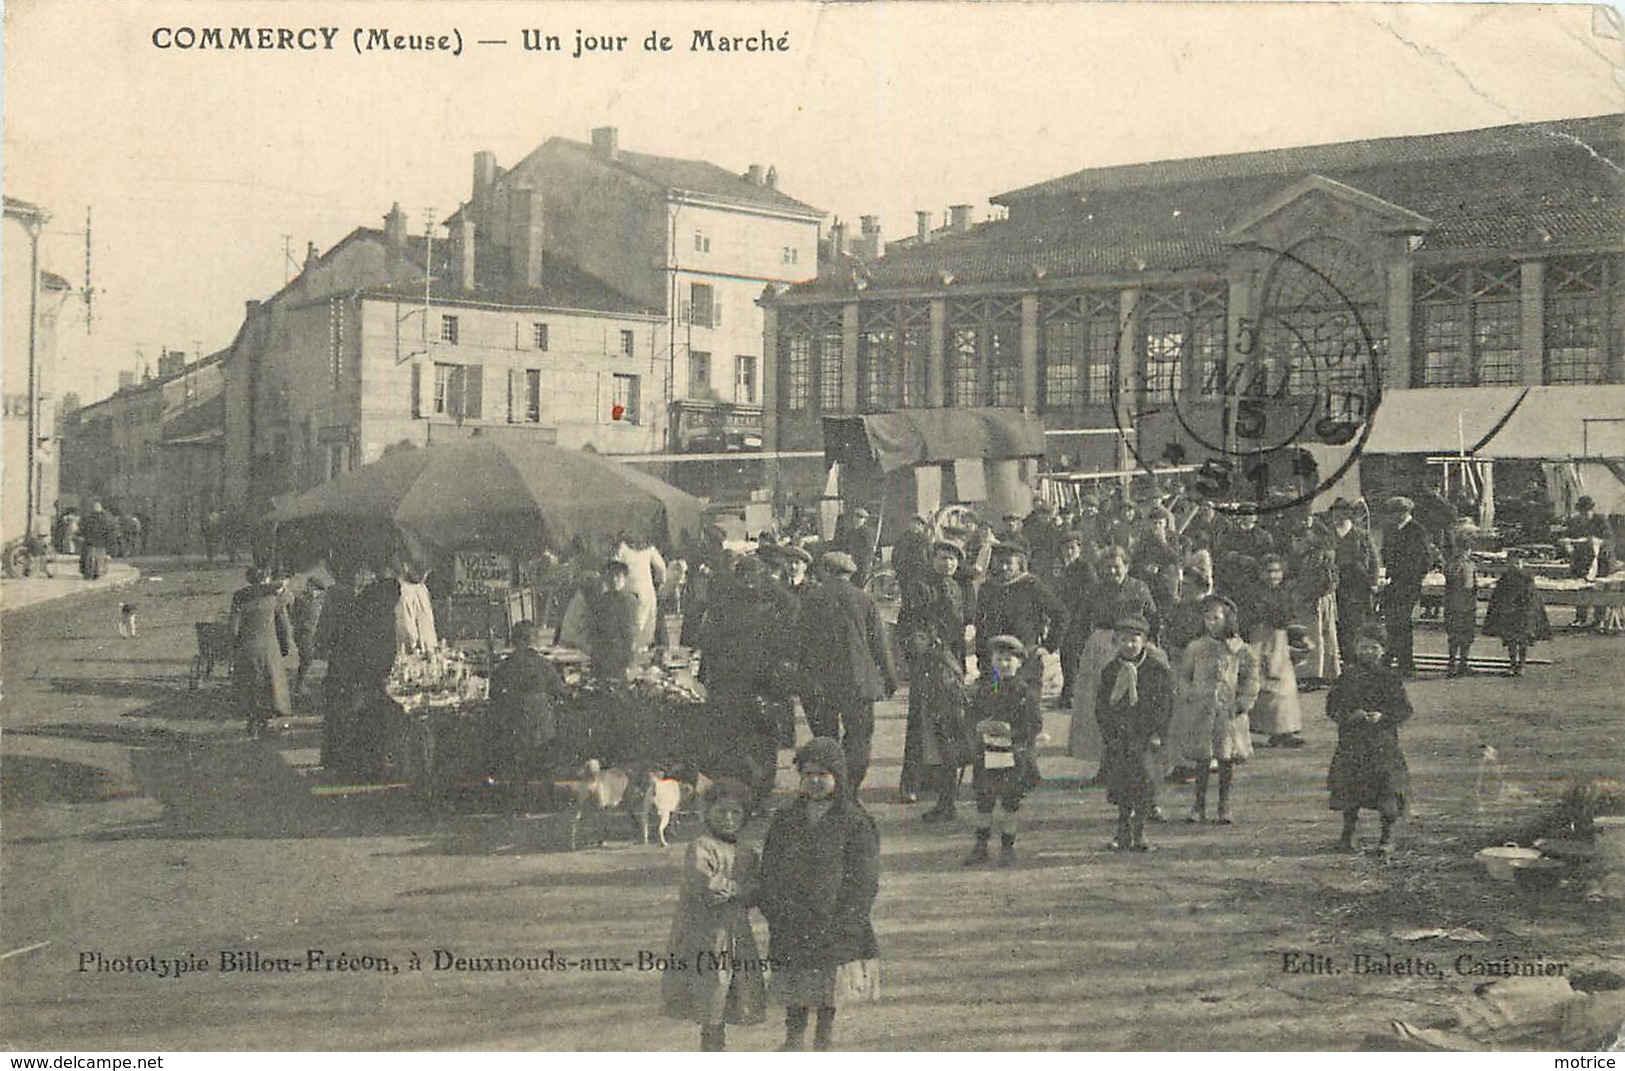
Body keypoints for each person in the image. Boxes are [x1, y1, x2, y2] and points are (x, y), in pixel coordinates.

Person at [757, 738, 881, 1051]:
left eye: (823, 774)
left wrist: (850, 919)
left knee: (827, 985)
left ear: (838, 778)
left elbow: (863, 880)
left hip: (833, 920)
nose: (815, 781)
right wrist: (774, 907)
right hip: (791, 918)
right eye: (808, 774)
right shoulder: (786, 820)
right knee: (794, 981)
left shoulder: (854, 822)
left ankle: (823, 1039)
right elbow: (769, 867)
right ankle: (793, 1037)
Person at [660, 778, 767, 1051]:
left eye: (735, 813)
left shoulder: (747, 853)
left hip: (735, 934)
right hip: (705, 935)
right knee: (711, 993)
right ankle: (711, 1047)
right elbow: (709, 887)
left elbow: (759, 889)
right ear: (708, 813)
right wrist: (739, 889)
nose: (728, 819)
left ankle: (720, 1046)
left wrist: (747, 891)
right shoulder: (701, 847)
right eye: (721, 812)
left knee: (733, 990)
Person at [794, 552, 898, 795]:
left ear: (826, 571)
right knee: (859, 738)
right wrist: (889, 678)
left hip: (822, 683)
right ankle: (850, 787)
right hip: (859, 682)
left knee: (826, 737)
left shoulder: (811, 599)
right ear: (848, 574)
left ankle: (829, 787)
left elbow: (799, 642)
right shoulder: (864, 599)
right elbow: (880, 645)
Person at [1067, 545, 1158, 772]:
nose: (1112, 572)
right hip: (1100, 647)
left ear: (1126, 566)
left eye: (1117, 567)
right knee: (1101, 705)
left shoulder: (1139, 588)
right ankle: (1104, 765)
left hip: (1131, 644)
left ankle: (1133, 765)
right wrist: (1081, 649)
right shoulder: (1095, 590)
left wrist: (1149, 644)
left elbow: (1153, 619)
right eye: (1107, 568)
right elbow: (1081, 621)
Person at [1326, 625, 1413, 854]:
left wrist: (1383, 716)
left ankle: (1387, 836)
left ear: (1383, 650)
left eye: (1373, 648)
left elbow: (1404, 709)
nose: (1368, 652)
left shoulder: (1390, 678)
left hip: (1382, 744)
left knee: (1387, 789)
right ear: (1355, 649)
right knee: (1350, 788)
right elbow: (1332, 706)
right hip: (1352, 743)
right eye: (1363, 648)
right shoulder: (1347, 677)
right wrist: (1349, 715)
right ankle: (1348, 833)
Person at [1174, 595, 1260, 824]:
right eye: (1207, 618)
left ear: (1227, 619)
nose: (1211, 622)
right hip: (1202, 710)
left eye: (1216, 618)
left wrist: (1242, 702)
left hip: (1228, 712)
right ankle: (1198, 805)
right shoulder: (1196, 648)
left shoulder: (1239, 650)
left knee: (1226, 758)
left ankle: (1224, 804)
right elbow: (1184, 676)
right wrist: (1190, 694)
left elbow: (1250, 678)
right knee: (1202, 759)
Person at [897, 539, 970, 803]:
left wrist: (960, 663)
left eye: (952, 559)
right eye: (942, 558)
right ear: (933, 559)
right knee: (920, 723)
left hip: (950, 665)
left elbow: (959, 629)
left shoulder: (957, 587)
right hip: (927, 662)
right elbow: (910, 623)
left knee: (947, 723)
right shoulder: (921, 587)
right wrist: (920, 649)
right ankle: (911, 783)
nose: (948, 563)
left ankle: (938, 780)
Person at [1095, 615, 1174, 851]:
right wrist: (1109, 733)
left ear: (1144, 641)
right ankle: (1122, 832)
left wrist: (1158, 732)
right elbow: (1101, 705)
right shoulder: (1111, 671)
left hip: (1145, 737)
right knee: (1121, 786)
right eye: (1124, 640)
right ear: (1115, 642)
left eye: (1134, 640)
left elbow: (1165, 705)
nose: (1129, 645)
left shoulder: (1155, 670)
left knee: (1143, 784)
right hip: (1120, 737)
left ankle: (1140, 833)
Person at [963, 636, 1043, 866]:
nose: (1004, 664)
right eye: (999, 659)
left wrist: (1012, 731)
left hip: (1012, 756)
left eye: (1009, 660)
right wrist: (977, 727)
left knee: (1010, 803)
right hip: (986, 754)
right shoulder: (985, 688)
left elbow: (1034, 725)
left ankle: (1008, 847)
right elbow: (972, 715)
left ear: (1019, 663)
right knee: (984, 802)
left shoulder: (1024, 693)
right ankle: (980, 846)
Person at [485, 620, 567, 809]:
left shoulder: (503, 668)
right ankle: (549, 798)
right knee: (546, 755)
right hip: (542, 731)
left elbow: (493, 697)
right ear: (534, 641)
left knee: (516, 756)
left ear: (513, 642)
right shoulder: (544, 665)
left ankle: (517, 798)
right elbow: (561, 692)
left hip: (515, 731)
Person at [973, 542, 1067, 698]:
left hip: (1026, 661)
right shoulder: (987, 589)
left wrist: (1048, 646)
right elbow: (980, 625)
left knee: (1025, 705)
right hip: (995, 662)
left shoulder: (1031, 585)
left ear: (1019, 564)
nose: (1004, 568)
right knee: (994, 701)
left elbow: (1060, 614)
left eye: (1009, 563)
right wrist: (982, 656)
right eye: (1000, 563)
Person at [228, 566, 294, 739]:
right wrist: (285, 647)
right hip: (269, 648)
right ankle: (265, 722)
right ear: (265, 579)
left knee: (250, 685)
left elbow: (233, 629)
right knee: (270, 686)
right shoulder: (274, 598)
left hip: (247, 648)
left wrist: (236, 648)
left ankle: (252, 722)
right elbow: (285, 627)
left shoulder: (239, 597)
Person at [1249, 554, 1305, 747]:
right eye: (1268, 571)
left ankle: (1283, 730)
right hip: (1261, 638)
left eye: (1277, 571)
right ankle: (1260, 727)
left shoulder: (1285, 592)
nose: (1273, 576)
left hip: (1279, 640)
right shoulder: (1254, 593)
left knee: (1284, 686)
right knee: (1263, 682)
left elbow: (1288, 616)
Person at [1380, 496, 1437, 678]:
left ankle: (1405, 663)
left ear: (1406, 512)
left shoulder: (1418, 531)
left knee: (1402, 622)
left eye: (1397, 512)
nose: (1394, 516)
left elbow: (1426, 559)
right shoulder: (1390, 529)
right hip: (1394, 582)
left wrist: (1413, 577)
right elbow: (1385, 552)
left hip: (1409, 583)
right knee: (1392, 622)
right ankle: (1391, 659)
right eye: (1392, 513)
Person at [1483, 549, 1551, 677]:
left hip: (1523, 613)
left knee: (1523, 640)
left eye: (1518, 561)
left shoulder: (1527, 577)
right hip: (1509, 613)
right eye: (1512, 561)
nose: (1515, 564)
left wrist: (1526, 609)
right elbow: (1498, 595)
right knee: (1511, 641)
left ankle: (1521, 665)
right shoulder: (1506, 577)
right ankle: (1513, 664)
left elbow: (1531, 596)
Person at [1329, 498, 1380, 661]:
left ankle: (1355, 659)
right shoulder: (1327, 534)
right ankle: (1343, 660)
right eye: (1336, 511)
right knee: (1338, 624)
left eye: (1344, 511)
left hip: (1357, 586)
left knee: (1355, 623)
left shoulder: (1361, 535)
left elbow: (1374, 560)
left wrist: (1373, 583)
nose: (1339, 515)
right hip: (1334, 584)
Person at [1564, 495, 1614, 629]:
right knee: (1581, 587)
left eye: (1586, 511)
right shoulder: (1575, 522)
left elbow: (1608, 539)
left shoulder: (1600, 520)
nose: (1584, 514)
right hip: (1582, 560)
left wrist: (1596, 541)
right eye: (1582, 512)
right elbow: (1568, 537)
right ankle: (1580, 618)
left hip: (1601, 560)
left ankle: (1599, 619)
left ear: (1591, 509)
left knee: (1599, 589)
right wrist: (1567, 544)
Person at [586, 559, 640, 683]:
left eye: (618, 576)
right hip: (602, 654)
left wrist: (629, 662)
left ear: (625, 579)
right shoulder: (600, 601)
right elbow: (593, 630)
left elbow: (631, 632)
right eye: (610, 575)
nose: (614, 579)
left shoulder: (629, 601)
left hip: (620, 653)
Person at [614, 533, 669, 651]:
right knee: (645, 634)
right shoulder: (649, 550)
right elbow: (662, 568)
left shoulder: (622, 549)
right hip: (647, 593)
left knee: (631, 632)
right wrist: (661, 583)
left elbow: (615, 569)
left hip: (630, 593)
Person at [1441, 524, 1480, 677]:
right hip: (1463, 604)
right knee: (1462, 635)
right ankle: (1459, 664)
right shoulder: (1465, 565)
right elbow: (1468, 585)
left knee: (1457, 636)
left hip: (1454, 604)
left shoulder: (1452, 564)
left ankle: (1455, 664)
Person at [290, 575, 328, 697]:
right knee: (307, 658)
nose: (314, 592)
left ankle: (301, 685)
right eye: (313, 588)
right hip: (304, 633)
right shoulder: (301, 600)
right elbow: (294, 616)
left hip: (314, 633)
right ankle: (298, 686)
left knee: (310, 659)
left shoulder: (319, 601)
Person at [395, 565, 438, 653]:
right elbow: (407, 627)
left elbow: (427, 627)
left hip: (426, 648)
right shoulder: (403, 591)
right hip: (409, 649)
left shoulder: (422, 590)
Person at [78, 501, 114, 580]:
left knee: (89, 557)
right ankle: (96, 572)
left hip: (91, 540)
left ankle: (90, 572)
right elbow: (109, 530)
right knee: (97, 558)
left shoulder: (88, 517)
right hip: (99, 541)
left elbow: (82, 527)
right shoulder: (106, 518)